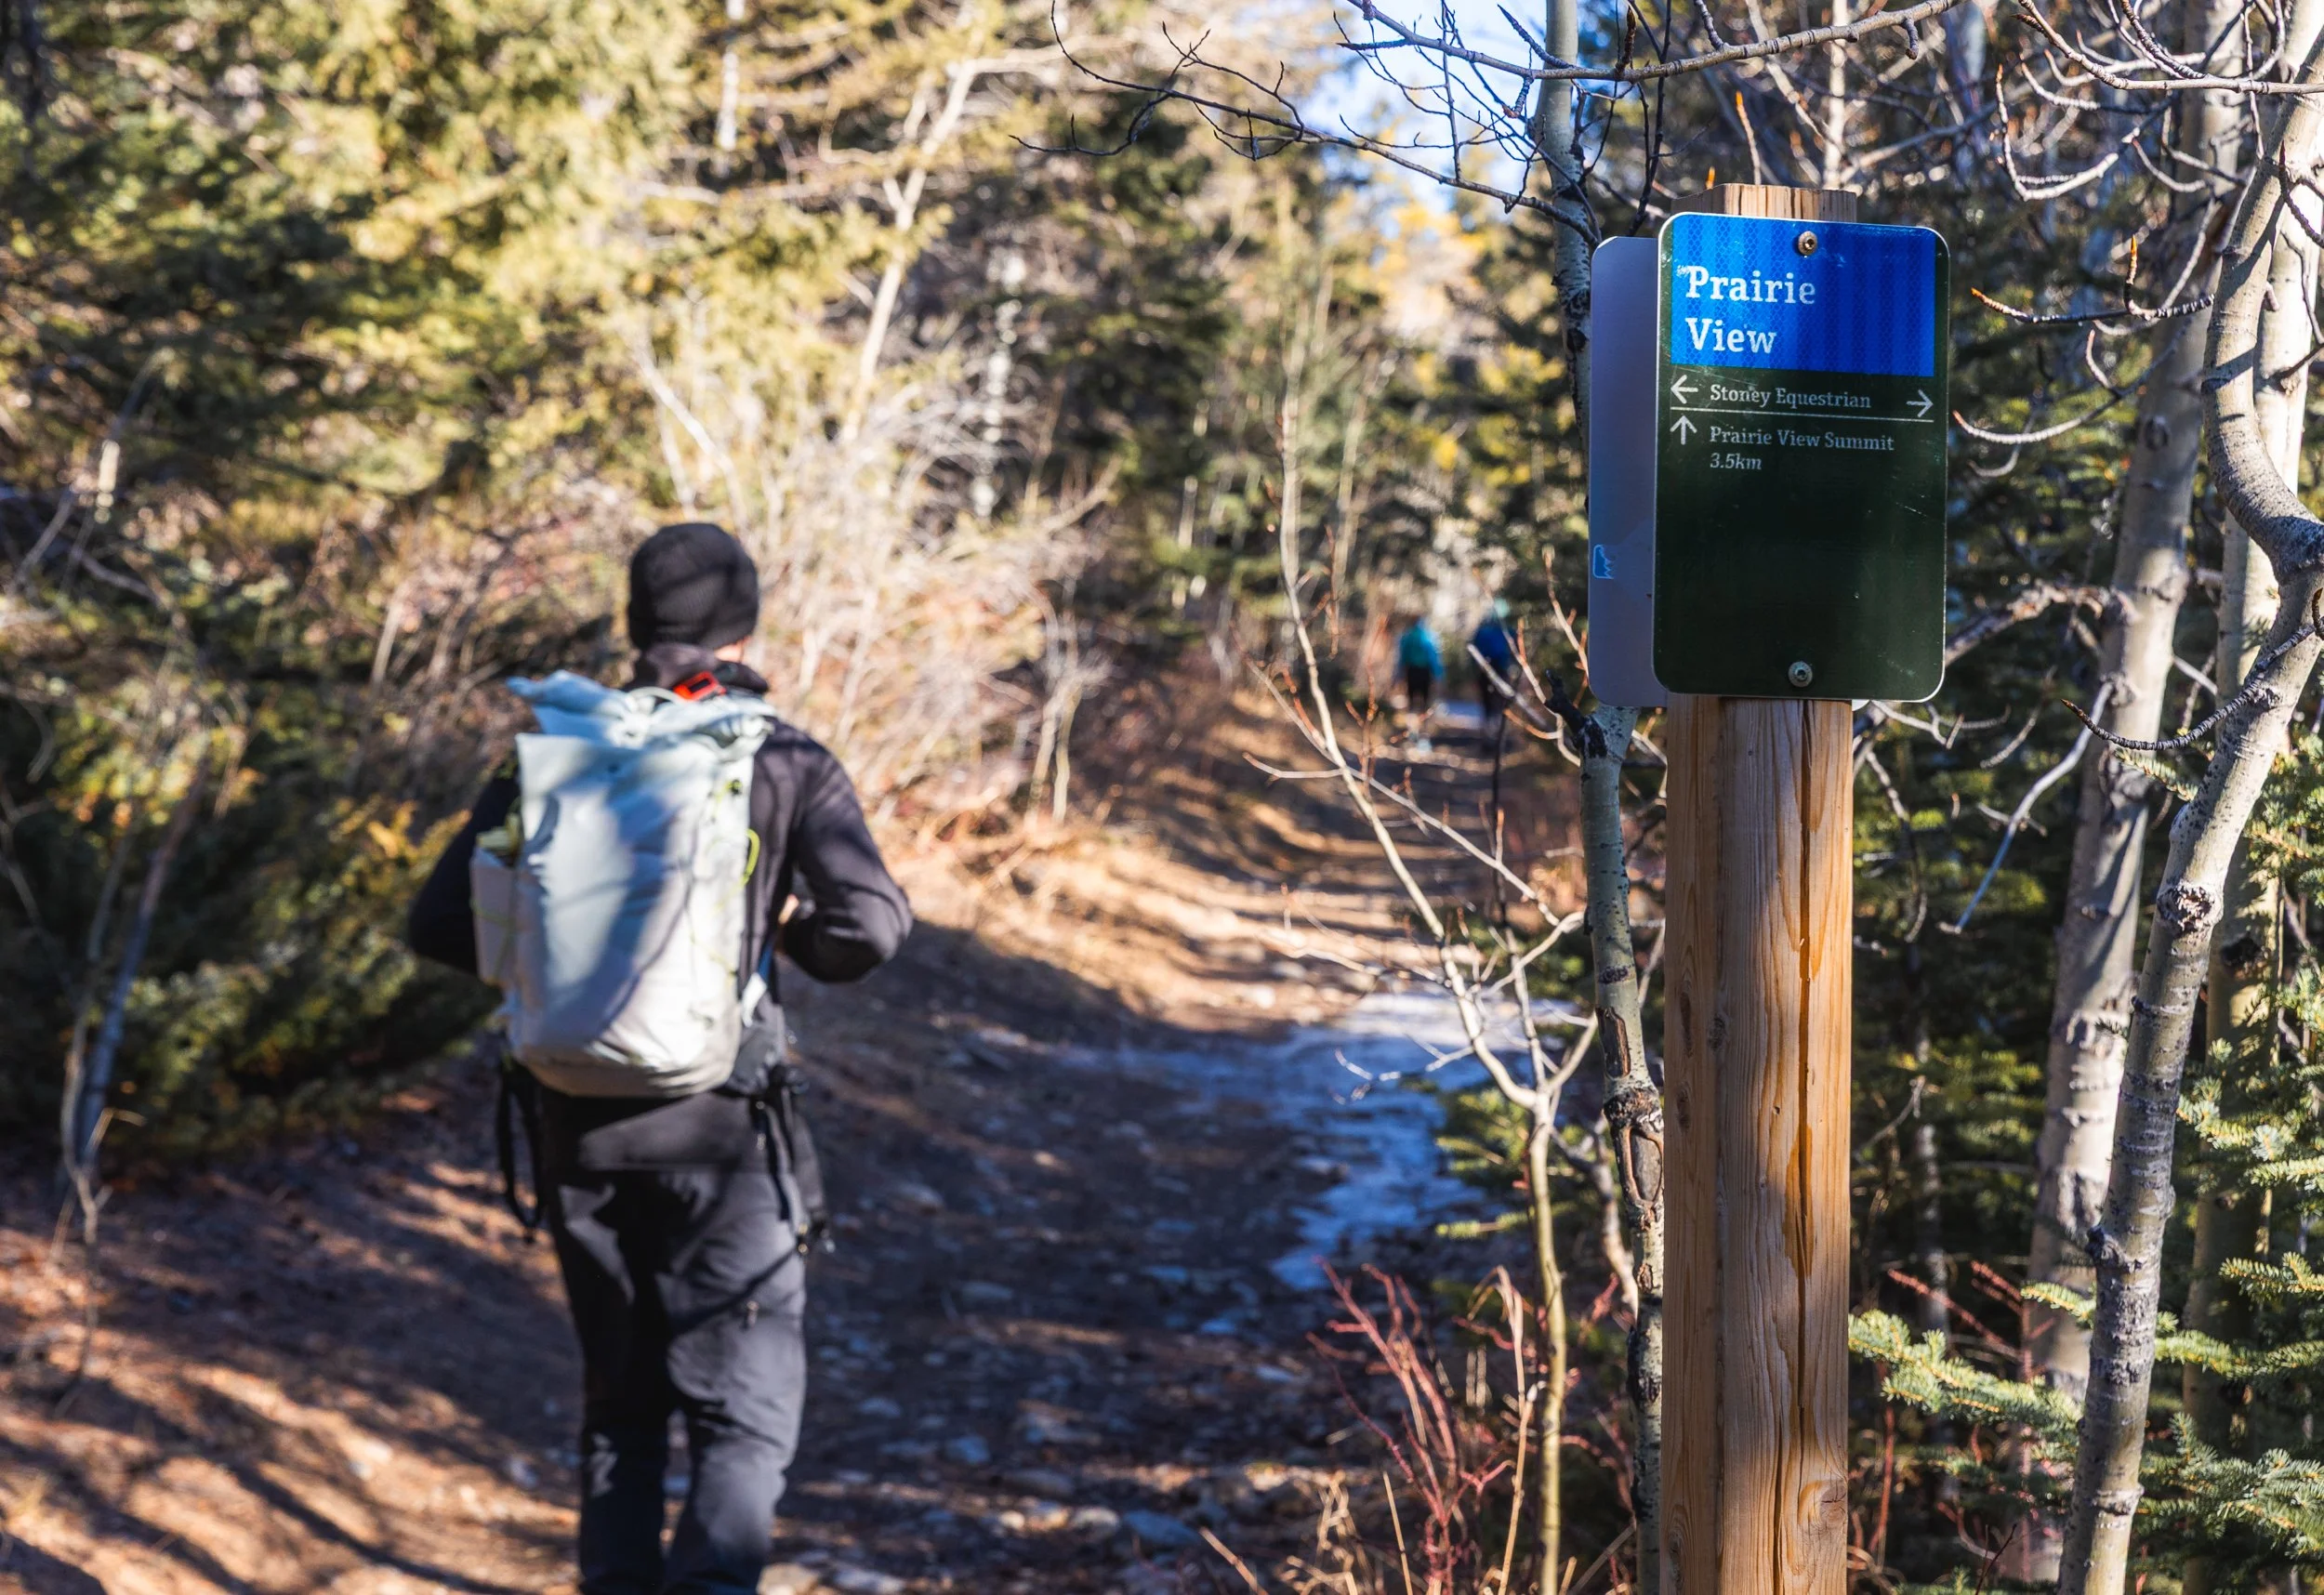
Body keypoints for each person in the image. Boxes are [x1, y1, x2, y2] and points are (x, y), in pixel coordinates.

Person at [408, 521, 912, 1595]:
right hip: (722, 1133)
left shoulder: (558, 753)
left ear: (635, 624)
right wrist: (784, 931)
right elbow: (869, 928)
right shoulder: (779, 758)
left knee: (619, 1414)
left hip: (574, 1126)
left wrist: (560, 971)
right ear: (743, 629)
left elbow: (440, 921)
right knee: (744, 1422)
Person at [1472, 601, 1517, 725]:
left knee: (1492, 695)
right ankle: (1493, 721)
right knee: (1496, 695)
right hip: (1495, 667)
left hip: (1492, 667)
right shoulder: (1506, 630)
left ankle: (1492, 721)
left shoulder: (1485, 630)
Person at [1397, 616, 1442, 721]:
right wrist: (1438, 674)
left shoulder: (1407, 636)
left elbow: (1403, 656)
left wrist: (1399, 674)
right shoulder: (1428, 636)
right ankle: (1424, 722)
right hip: (1425, 671)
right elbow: (1433, 656)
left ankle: (1411, 722)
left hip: (1411, 671)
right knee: (1425, 698)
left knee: (1411, 697)